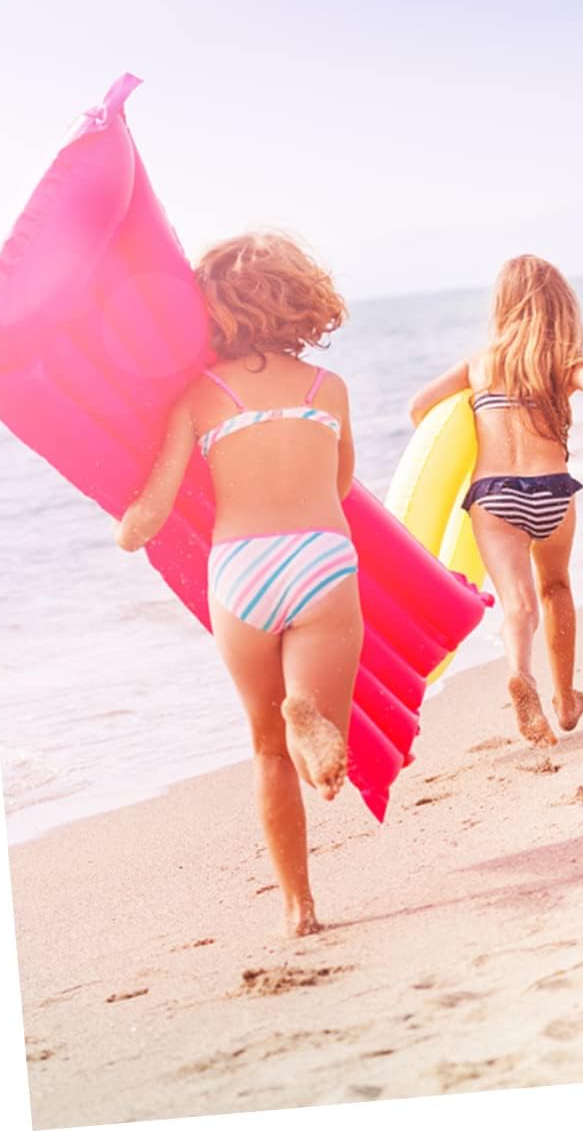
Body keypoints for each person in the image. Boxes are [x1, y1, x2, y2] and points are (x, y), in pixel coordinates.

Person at [115, 232, 360, 936]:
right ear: (299, 298)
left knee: (266, 749)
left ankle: (298, 908)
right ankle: (307, 713)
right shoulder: (327, 389)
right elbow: (342, 485)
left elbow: (150, 514)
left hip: (241, 572)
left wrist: (126, 529)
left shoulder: (200, 395)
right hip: (319, 560)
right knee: (320, 747)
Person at [409, 254, 583, 746]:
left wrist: (452, 454)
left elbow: (418, 408)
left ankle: (521, 675)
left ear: (503, 304)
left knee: (518, 605)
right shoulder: (562, 362)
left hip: (495, 496)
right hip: (552, 491)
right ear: (560, 306)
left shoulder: (479, 364)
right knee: (556, 587)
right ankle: (566, 699)